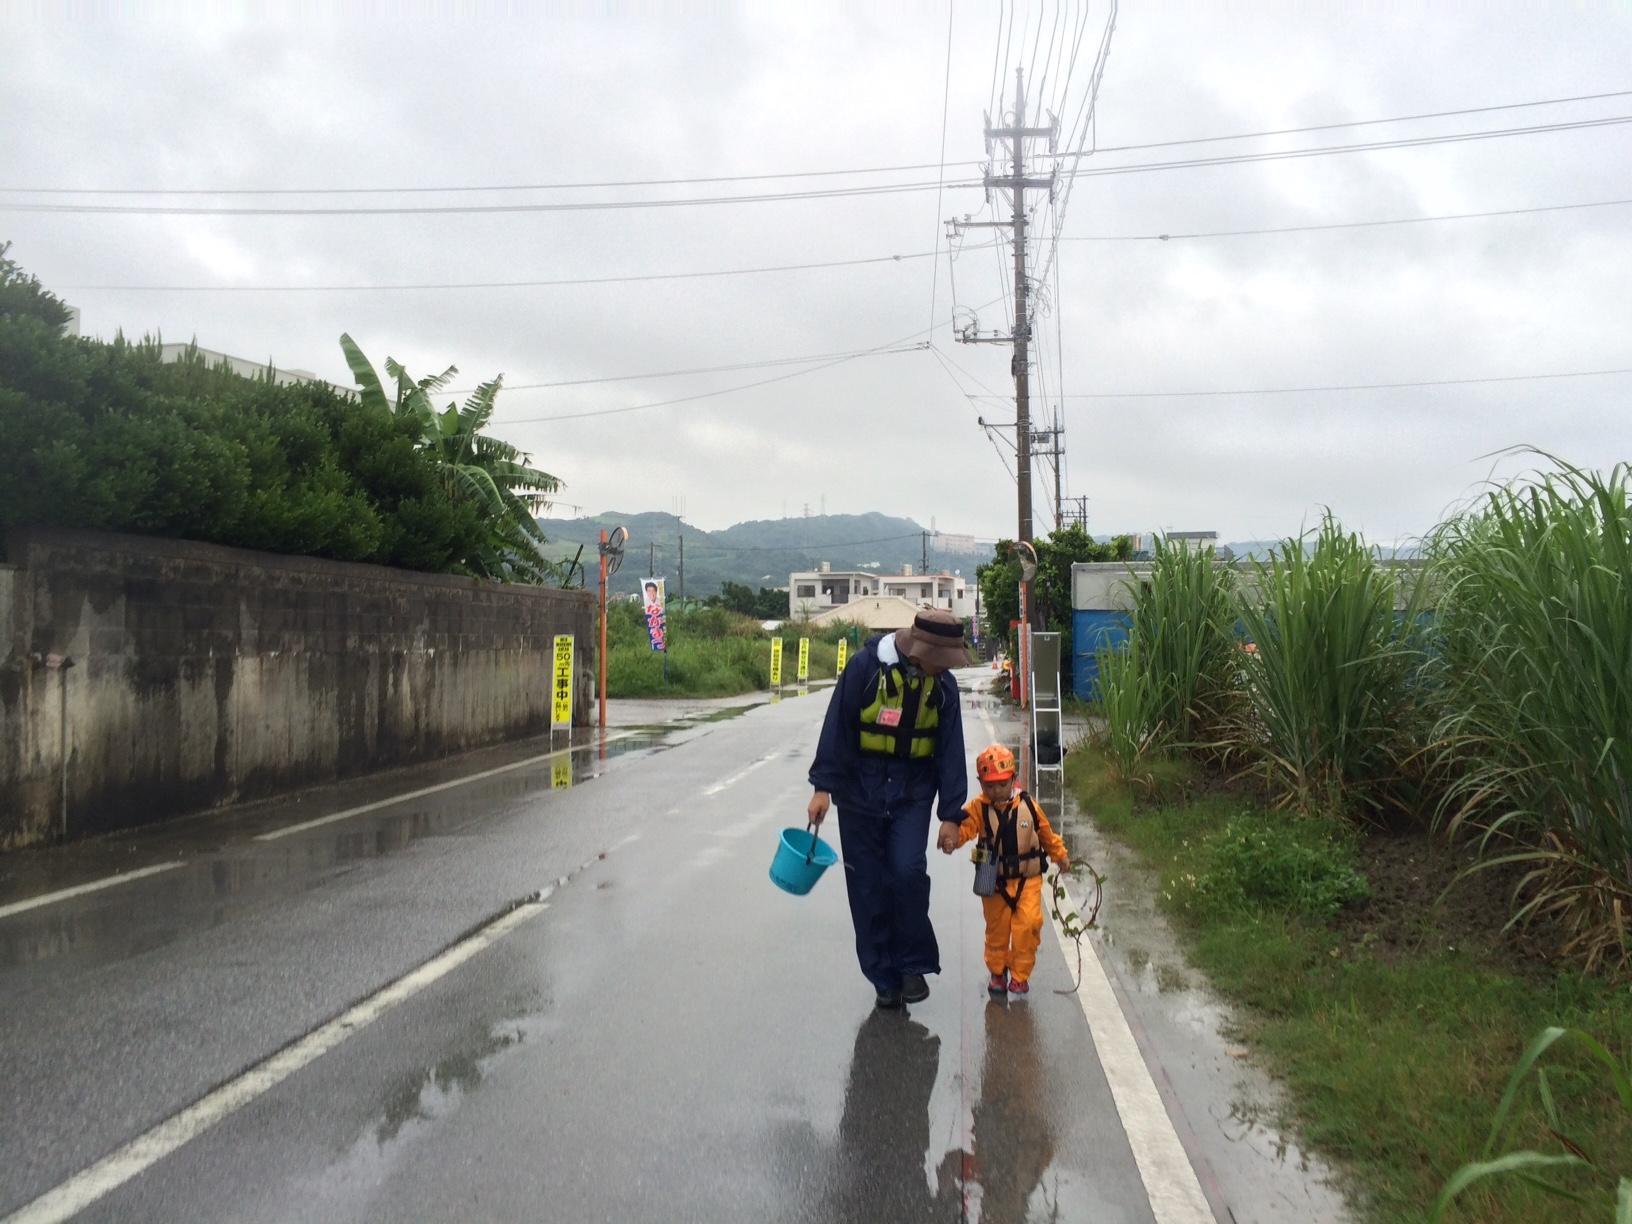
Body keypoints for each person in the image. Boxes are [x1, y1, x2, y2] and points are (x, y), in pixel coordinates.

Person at [808, 607, 971, 1009]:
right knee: (866, 885)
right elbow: (837, 727)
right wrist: (822, 788)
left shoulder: (944, 688)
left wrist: (951, 815)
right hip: (859, 792)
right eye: (942, 661)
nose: (945, 669)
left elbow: (951, 752)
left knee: (907, 872)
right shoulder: (865, 668)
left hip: (912, 792)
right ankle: (883, 977)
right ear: (920, 650)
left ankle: (911, 964)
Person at [938, 743, 1069, 997]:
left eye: (1001, 784)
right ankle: (997, 972)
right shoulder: (978, 808)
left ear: (1013, 779)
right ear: (981, 783)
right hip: (994, 883)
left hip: (1027, 882)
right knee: (997, 931)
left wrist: (1060, 856)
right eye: (988, 786)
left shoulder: (1029, 806)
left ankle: (1020, 975)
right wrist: (953, 840)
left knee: (1028, 926)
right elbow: (965, 828)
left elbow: (1046, 834)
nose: (995, 791)